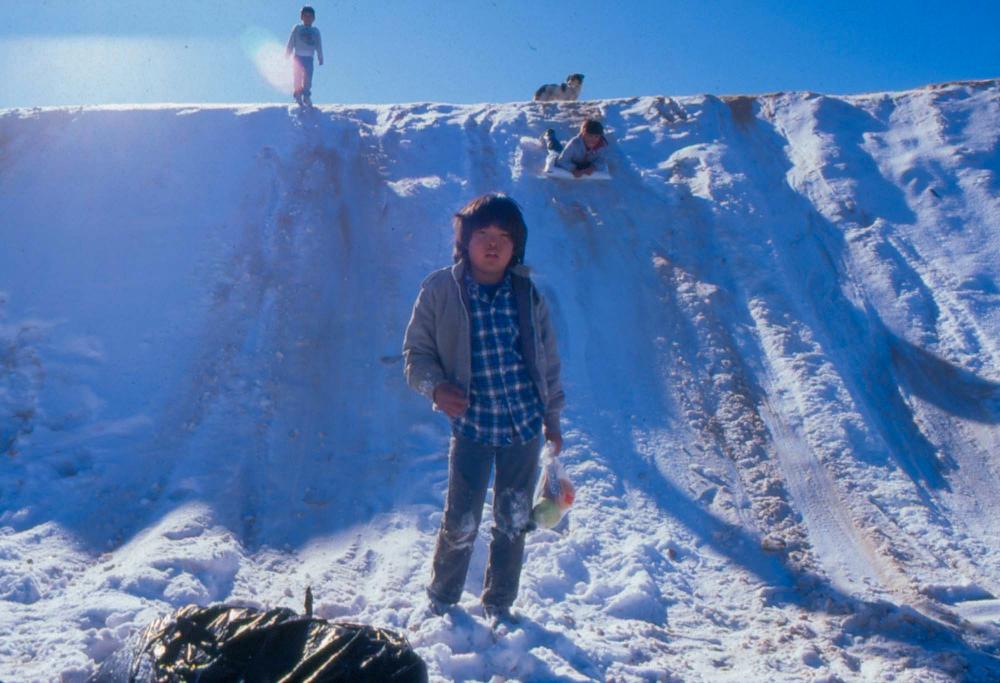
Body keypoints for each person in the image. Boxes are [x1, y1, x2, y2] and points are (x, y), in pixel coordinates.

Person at [402, 193, 565, 627]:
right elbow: (415, 354)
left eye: (504, 237)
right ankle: (442, 599)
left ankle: (499, 603)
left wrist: (552, 420)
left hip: (523, 428)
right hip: (473, 428)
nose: (493, 245)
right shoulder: (441, 290)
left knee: (513, 519)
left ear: (517, 246)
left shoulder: (526, 294)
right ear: (464, 241)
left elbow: (547, 359)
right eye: (483, 236)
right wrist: (436, 389)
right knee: (461, 518)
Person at [285, 6, 324, 106]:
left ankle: (306, 96)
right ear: (301, 17)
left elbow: (318, 45)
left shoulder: (315, 31)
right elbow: (291, 42)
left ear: (313, 18)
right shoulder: (297, 28)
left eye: (310, 16)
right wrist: (287, 53)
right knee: (297, 76)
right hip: (298, 57)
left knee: (308, 78)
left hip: (309, 58)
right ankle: (298, 95)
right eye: (305, 16)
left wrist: (320, 56)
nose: (308, 18)